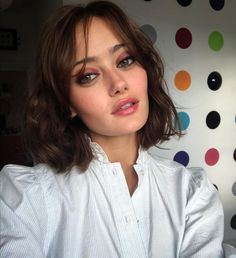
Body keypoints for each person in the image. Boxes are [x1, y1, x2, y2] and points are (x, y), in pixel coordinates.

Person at [0, 1, 227, 257]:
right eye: (88, 75)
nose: (118, 83)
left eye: (125, 60)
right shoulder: (25, 197)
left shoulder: (191, 193)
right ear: (67, 102)